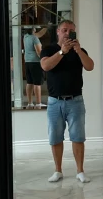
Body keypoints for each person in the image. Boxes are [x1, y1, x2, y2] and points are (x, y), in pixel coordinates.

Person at [40, 19, 94, 183]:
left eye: (71, 30)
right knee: (55, 137)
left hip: (75, 101)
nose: (67, 33)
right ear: (58, 31)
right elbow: (46, 66)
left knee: (78, 137)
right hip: (54, 102)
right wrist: (62, 52)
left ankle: (80, 171)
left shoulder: (80, 50)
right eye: (64, 30)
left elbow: (90, 66)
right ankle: (58, 171)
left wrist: (78, 51)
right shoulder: (49, 49)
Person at [23, 25, 47, 108]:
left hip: (27, 62)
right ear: (33, 30)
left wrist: (46, 27)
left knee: (29, 82)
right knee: (37, 83)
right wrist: (45, 59)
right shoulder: (35, 38)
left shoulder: (26, 37)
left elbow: (39, 34)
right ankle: (38, 103)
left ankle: (30, 103)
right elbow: (39, 52)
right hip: (36, 62)